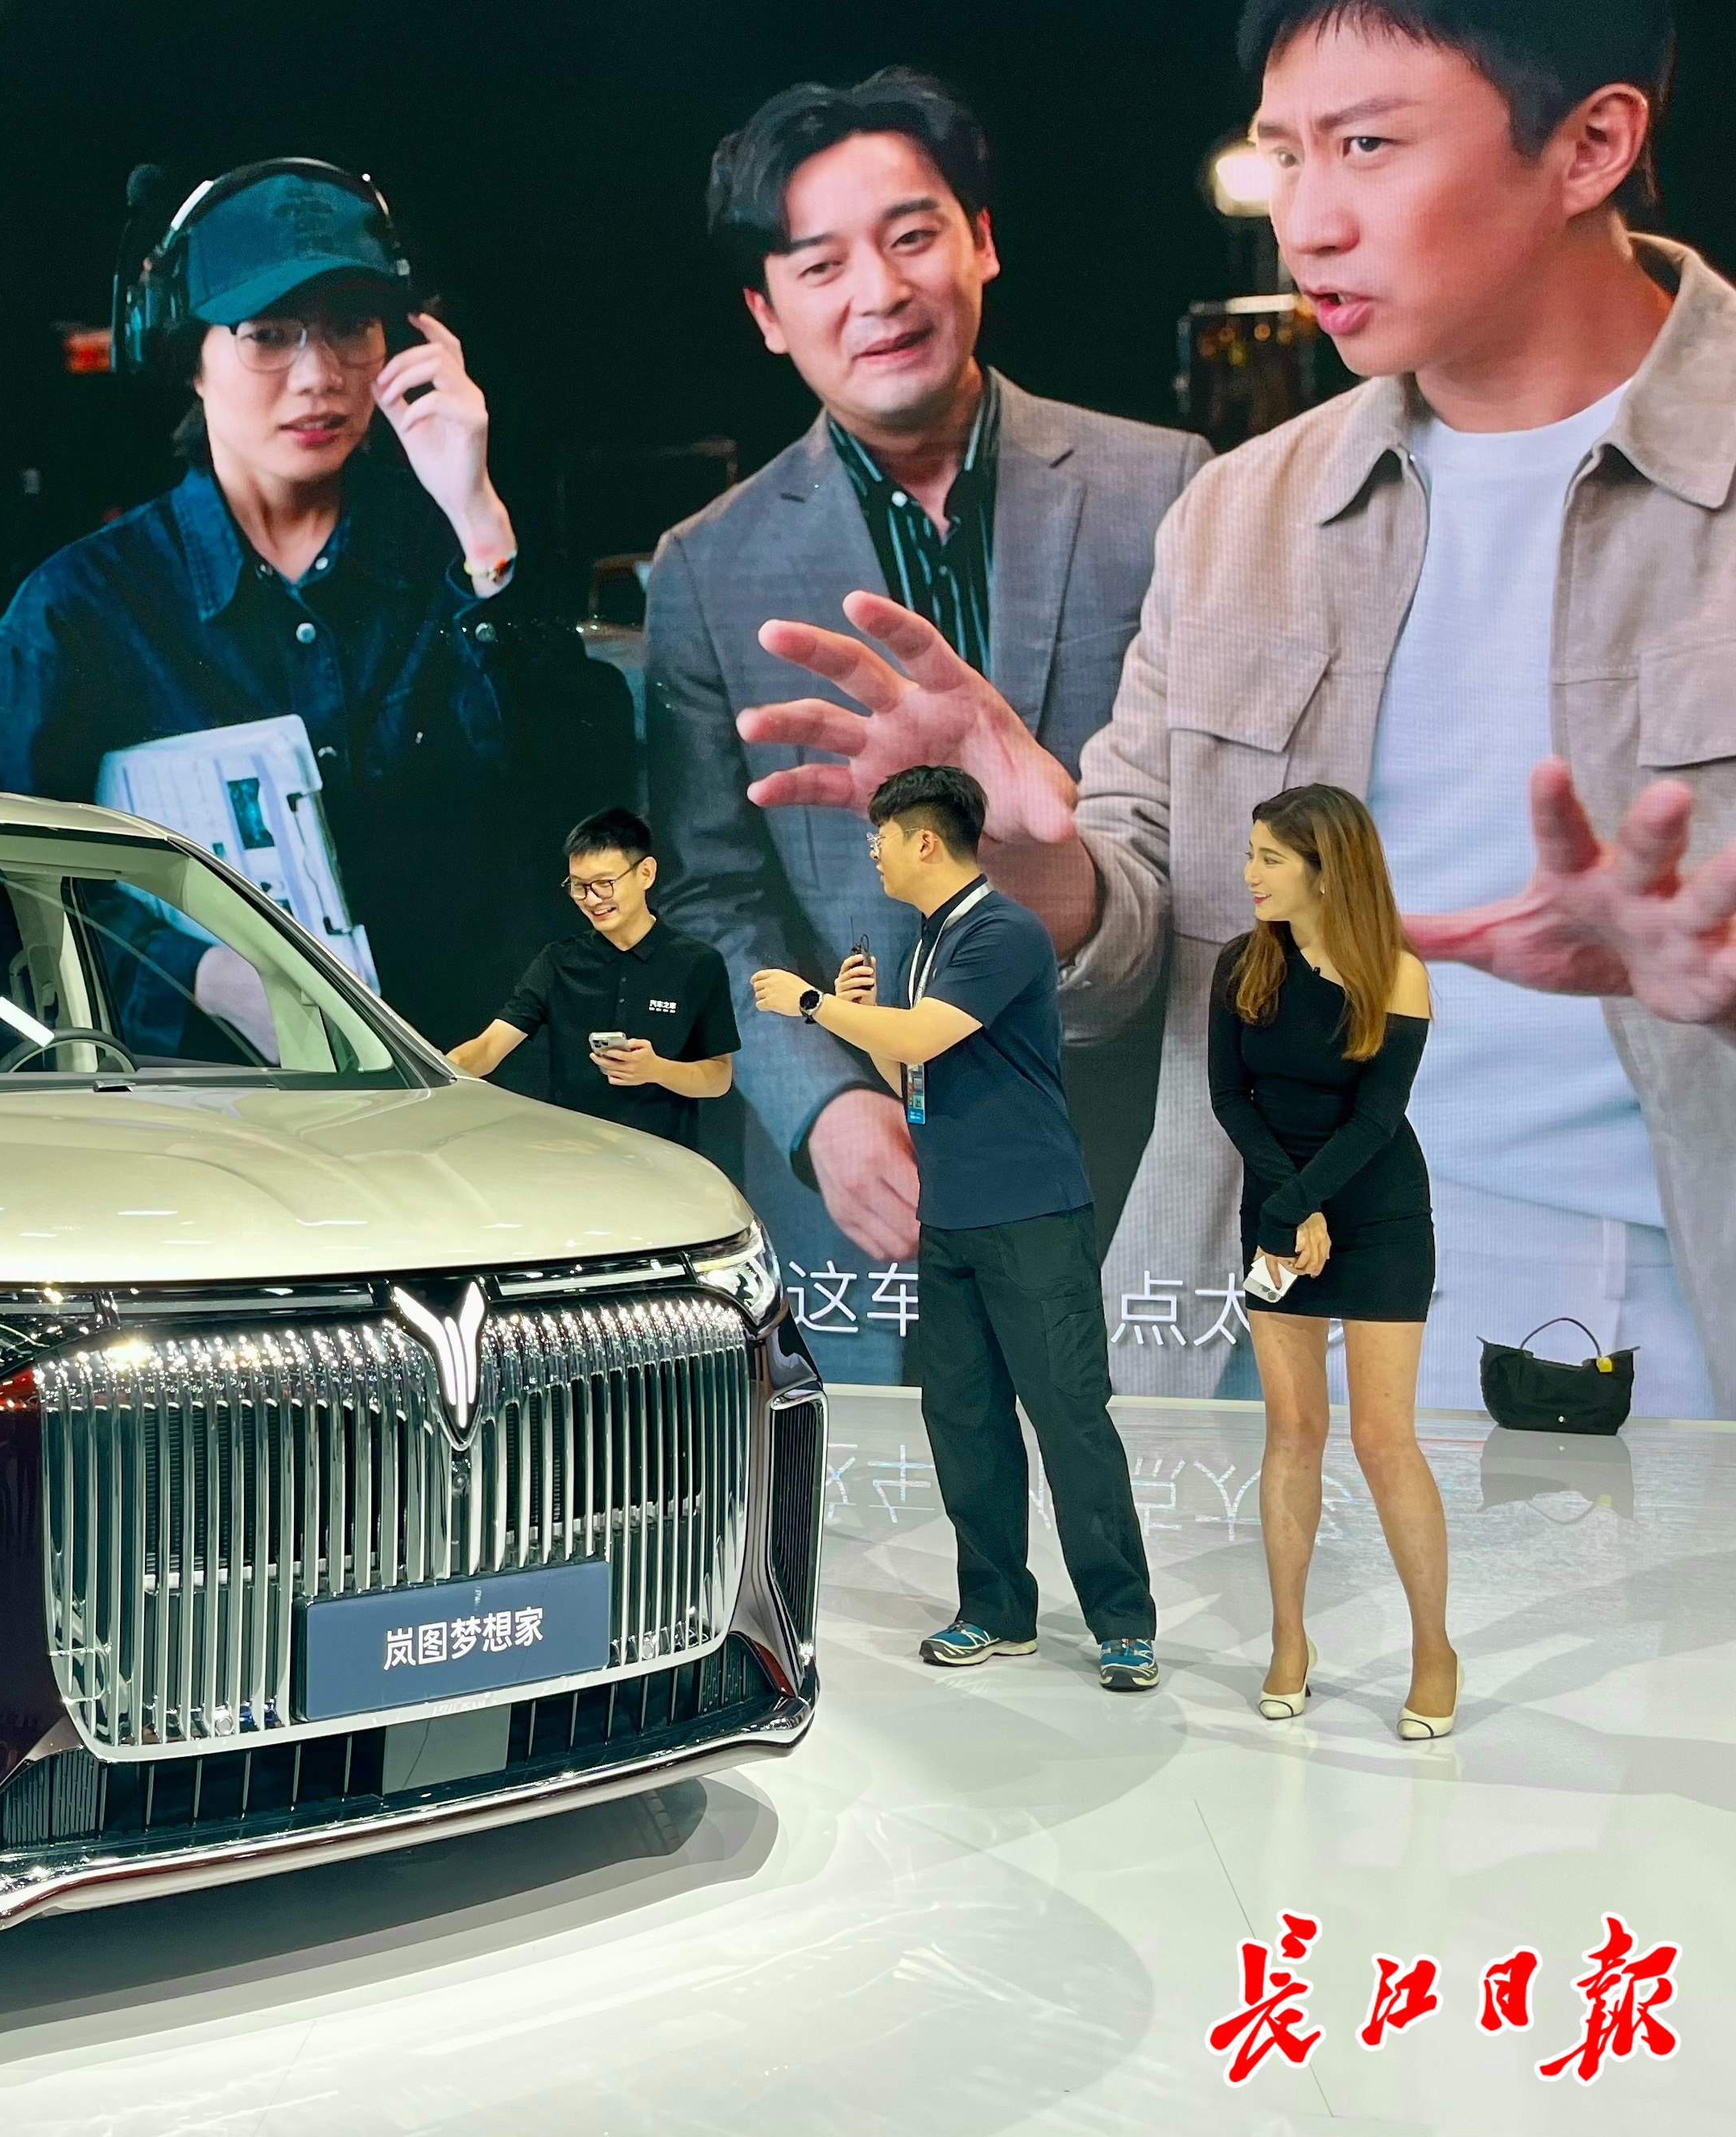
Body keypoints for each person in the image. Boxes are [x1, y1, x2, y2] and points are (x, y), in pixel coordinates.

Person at [719, 0, 1735, 1421]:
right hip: (1249, 1320)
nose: (1307, 223)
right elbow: (1138, 933)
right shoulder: (1245, 513)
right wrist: (1019, 861)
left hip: (1670, 1324)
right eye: (1284, 157)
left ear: (1592, 144)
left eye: (1367, 147)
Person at [646, 69, 1209, 1384]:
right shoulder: (705, 569)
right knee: (870, 1514)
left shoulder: (1171, 493)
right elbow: (710, 899)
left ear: (982, 241)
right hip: (864, 1201)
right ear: (767, 313)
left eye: (912, 236)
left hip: (1129, 1159)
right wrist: (823, 1107)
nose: (880, 291)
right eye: (821, 264)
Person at [0, 159, 626, 1055]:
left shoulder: (458, 565)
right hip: (193, 1107)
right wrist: (193, 976)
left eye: (351, 326)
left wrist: (478, 520)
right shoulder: (77, 614)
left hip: (463, 1088)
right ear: (187, 359)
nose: (319, 376)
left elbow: (583, 819)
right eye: (269, 334)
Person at [750, 766, 1159, 1689]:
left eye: (882, 836)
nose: (873, 852)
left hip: (1031, 1218)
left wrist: (813, 1002)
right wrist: (863, 1018)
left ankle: (1121, 1622)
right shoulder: (928, 944)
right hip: (951, 1219)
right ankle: (995, 1609)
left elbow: (921, 1039)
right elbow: (913, 1078)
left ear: (925, 840)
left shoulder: (1001, 930)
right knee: (963, 1420)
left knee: (1066, 1418)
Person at [1208, 785, 1456, 1737]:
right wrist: (1283, 1206)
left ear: (1325, 868)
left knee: (1382, 1439)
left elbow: (1377, 1114)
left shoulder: (1394, 971)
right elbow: (1229, 1096)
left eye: (1268, 856)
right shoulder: (1241, 963)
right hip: (1278, 1206)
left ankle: (1432, 1650)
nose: (1250, 873)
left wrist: (1302, 1203)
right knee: (1290, 1429)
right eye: (1251, 852)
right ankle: (1288, 1640)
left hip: (1376, 1212)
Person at [448, 808, 738, 1147]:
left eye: (604, 884)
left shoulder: (697, 963)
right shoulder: (558, 962)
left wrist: (656, 1069)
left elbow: (718, 1077)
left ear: (645, 873)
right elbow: (488, 1048)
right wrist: (440, 1072)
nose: (592, 900)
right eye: (579, 887)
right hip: (573, 1157)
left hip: (663, 1159)